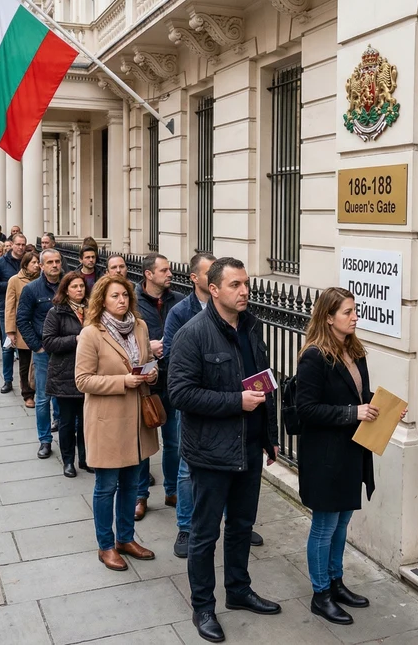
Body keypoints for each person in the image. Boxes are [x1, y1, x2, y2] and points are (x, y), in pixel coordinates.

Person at [168, 257, 282, 643]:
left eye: (246, 283)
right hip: (211, 453)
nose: (245, 291)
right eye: (235, 285)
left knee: (241, 526)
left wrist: (270, 437)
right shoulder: (193, 334)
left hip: (249, 449)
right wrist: (235, 401)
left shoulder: (251, 328)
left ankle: (238, 590)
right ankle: (203, 606)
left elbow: (263, 386)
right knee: (204, 534)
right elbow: (180, 393)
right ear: (214, 290)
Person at [296, 287, 406, 625]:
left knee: (342, 522)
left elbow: (358, 395)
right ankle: (320, 594)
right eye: (347, 312)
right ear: (328, 318)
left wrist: (384, 407)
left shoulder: (354, 351)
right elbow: (306, 410)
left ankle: (336, 581)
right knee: (325, 525)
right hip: (325, 457)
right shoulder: (314, 357)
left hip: (350, 452)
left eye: (354, 310)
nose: (355, 316)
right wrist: (352, 412)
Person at [75, 275, 159, 571]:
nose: (122, 300)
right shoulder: (92, 333)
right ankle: (106, 545)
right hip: (107, 421)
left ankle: (126, 538)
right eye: (115, 296)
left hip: (137, 420)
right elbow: (82, 380)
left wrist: (152, 373)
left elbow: (149, 360)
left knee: (131, 484)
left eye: (124, 295)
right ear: (102, 300)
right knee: (106, 485)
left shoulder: (139, 325)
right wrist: (123, 381)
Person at [164, 252, 217, 558]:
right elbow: (171, 356)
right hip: (195, 400)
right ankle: (185, 526)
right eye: (211, 272)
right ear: (195, 278)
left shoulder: (232, 311)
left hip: (227, 401)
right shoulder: (180, 312)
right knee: (187, 467)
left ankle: (236, 522)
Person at [134, 253, 185, 521]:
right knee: (144, 443)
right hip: (145, 382)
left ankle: (172, 490)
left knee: (174, 442)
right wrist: (149, 349)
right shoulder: (133, 302)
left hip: (173, 380)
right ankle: (140, 495)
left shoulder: (178, 300)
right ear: (148, 274)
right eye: (164, 270)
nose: (170, 274)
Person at [18, 248, 64, 459]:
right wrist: (36, 346)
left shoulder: (69, 285)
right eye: (50, 262)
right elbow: (22, 320)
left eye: (57, 261)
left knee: (67, 398)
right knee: (44, 399)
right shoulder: (32, 290)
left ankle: (67, 437)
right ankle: (45, 440)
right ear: (42, 266)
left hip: (68, 350)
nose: (55, 265)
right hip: (44, 352)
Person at [43, 272, 91, 478]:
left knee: (87, 421)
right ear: (66, 290)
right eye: (74, 287)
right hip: (65, 374)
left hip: (88, 373)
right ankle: (68, 461)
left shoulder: (92, 310)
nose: (79, 290)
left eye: (81, 286)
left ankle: (86, 458)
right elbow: (49, 342)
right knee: (67, 422)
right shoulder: (56, 312)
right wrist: (75, 339)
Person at [0, 233, 27, 394]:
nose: (20, 247)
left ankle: (27, 381)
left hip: (27, 310)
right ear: (12, 244)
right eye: (18, 244)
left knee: (26, 347)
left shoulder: (28, 261)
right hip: (7, 309)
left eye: (23, 244)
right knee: (8, 346)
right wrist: (13, 286)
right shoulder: (0, 263)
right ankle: (7, 380)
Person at [5, 252, 39, 408]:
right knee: (25, 363)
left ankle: (40, 390)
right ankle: (28, 394)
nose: (37, 265)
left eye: (38, 262)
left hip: (39, 327)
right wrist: (10, 331)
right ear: (25, 265)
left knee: (39, 362)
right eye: (33, 262)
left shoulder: (42, 279)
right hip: (23, 328)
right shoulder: (15, 281)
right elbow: (10, 307)